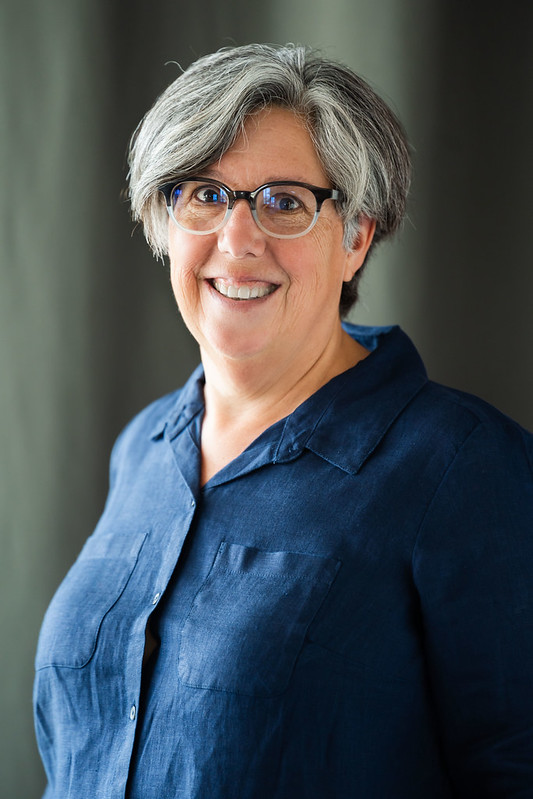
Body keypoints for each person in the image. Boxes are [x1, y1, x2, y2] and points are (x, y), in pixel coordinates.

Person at [34, 43, 533, 798]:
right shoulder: (141, 448)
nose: (237, 240)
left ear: (356, 236)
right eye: (203, 193)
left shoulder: (463, 467)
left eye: (284, 201)